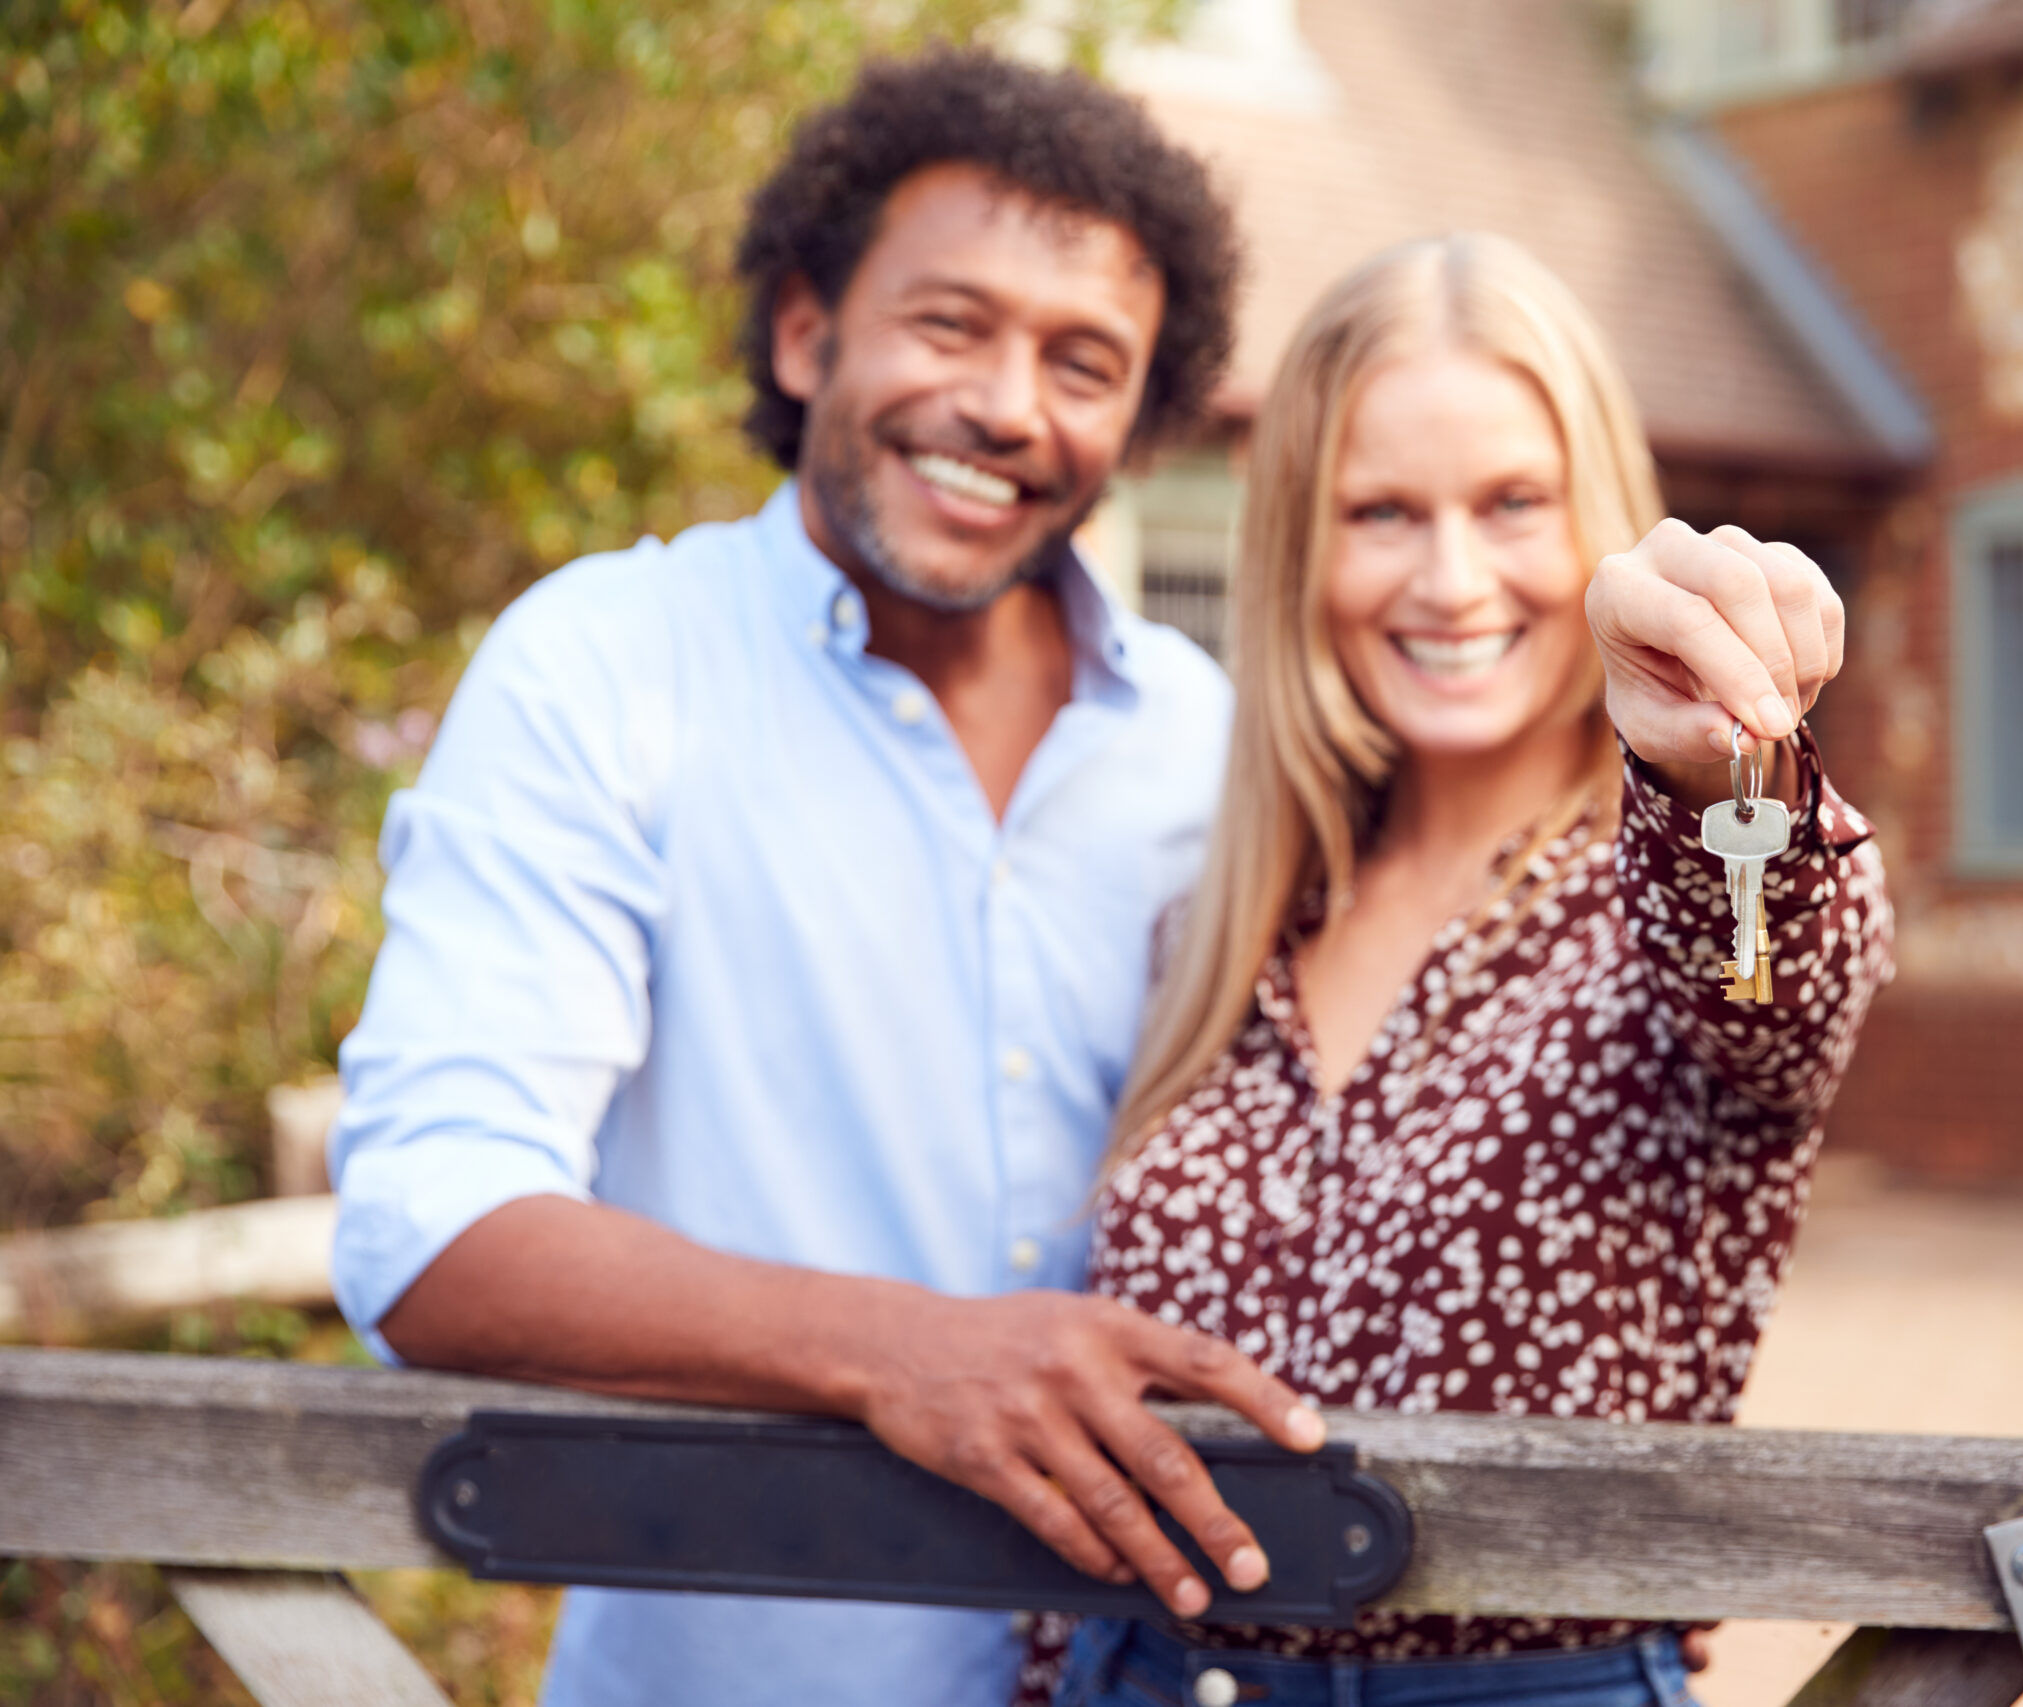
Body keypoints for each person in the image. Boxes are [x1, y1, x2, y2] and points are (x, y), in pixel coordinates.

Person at [327, 49, 1328, 1707]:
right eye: (951, 324)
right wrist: (903, 1350)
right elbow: (432, 1235)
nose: (1010, 405)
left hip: (1153, 1675)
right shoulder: (607, 668)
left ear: (1137, 422)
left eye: (1084, 362)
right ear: (809, 335)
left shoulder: (1209, 750)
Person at [1024, 234, 1894, 1707]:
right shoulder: (1225, 920)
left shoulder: (1683, 881)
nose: (1451, 578)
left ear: (1599, 526)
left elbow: (1780, 987)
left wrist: (1708, 769)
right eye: (1380, 511)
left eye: (1512, 504)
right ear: (1301, 540)